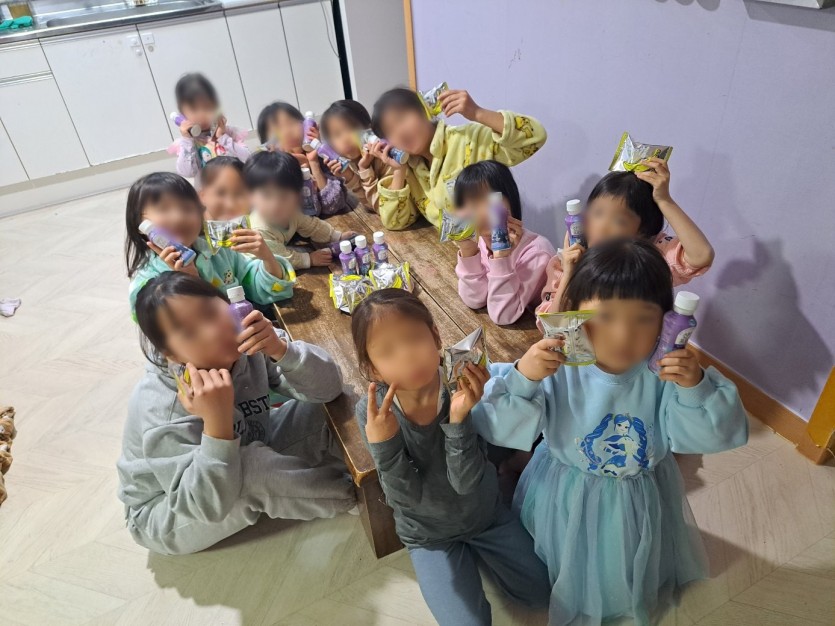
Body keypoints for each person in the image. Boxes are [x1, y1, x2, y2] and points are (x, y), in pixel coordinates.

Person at [472, 238, 748, 625]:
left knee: (626, 556)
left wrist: (695, 386)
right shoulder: (559, 362)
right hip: (564, 490)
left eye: (643, 319)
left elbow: (713, 433)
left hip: (639, 494)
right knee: (562, 550)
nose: (622, 335)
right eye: (604, 317)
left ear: (666, 321)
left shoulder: (665, 370)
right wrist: (523, 377)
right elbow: (496, 424)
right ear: (575, 313)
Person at [351, 289, 551, 626]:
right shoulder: (374, 412)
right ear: (372, 368)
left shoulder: (460, 382)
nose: (407, 356)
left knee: (541, 594)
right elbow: (405, 498)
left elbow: (466, 482)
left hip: (485, 513)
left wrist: (459, 419)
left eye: (414, 338)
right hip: (428, 535)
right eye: (387, 351)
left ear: (435, 336)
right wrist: (384, 444)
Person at [118, 272, 356, 554]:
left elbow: (330, 389)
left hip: (247, 442)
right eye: (189, 333)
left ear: (228, 302)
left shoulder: (247, 337)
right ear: (171, 354)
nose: (212, 332)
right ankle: (360, 498)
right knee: (252, 469)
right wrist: (216, 422)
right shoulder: (162, 405)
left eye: (210, 313)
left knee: (329, 405)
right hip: (169, 509)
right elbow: (203, 504)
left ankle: (379, 468)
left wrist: (282, 350)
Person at [539, 158, 714, 313]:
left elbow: (701, 256)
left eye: (620, 221)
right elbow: (550, 330)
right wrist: (569, 275)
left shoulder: (650, 260)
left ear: (642, 233)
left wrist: (664, 200)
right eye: (597, 213)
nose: (602, 227)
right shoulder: (566, 263)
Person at [370, 86, 547, 230]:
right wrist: (399, 170)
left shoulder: (469, 139)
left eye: (401, 119)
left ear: (423, 109)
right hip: (456, 256)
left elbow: (535, 136)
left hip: (497, 252)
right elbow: (394, 222)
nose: (400, 133)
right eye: (390, 131)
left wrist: (477, 112)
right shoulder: (412, 169)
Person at [125, 172, 294, 311]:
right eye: (163, 209)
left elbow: (262, 290)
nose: (178, 217)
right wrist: (189, 282)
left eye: (187, 208)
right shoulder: (146, 283)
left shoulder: (219, 251)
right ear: (140, 223)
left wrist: (267, 257)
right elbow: (173, 334)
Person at [453, 160, 555, 325]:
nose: (483, 212)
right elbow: (475, 300)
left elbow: (503, 315)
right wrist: (468, 251)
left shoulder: (537, 251)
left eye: (491, 201)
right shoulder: (480, 243)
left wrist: (501, 257)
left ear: (511, 200)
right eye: (473, 204)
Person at [245, 151, 356, 270]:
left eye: (284, 196)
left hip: (279, 245)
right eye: (266, 195)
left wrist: (336, 236)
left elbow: (312, 226)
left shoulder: (292, 212)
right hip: (258, 267)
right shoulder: (260, 230)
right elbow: (280, 258)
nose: (275, 204)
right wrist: (309, 259)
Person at [256, 102, 351, 216]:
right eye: (278, 129)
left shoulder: (324, 156)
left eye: (291, 123)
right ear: (268, 145)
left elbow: (334, 204)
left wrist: (313, 162)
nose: (287, 132)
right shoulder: (269, 174)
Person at [169, 73, 250, 179]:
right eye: (194, 109)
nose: (201, 115)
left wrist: (222, 137)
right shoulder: (186, 143)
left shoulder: (228, 133)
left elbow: (248, 159)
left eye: (207, 107)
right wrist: (187, 140)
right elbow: (187, 173)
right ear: (182, 113)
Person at [319, 99, 390, 212]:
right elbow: (370, 205)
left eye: (352, 129)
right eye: (337, 135)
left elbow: (384, 209)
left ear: (369, 128)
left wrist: (364, 169)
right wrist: (349, 175)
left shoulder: (385, 157)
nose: (345, 138)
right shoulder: (350, 164)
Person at [197, 156, 249, 221]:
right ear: (203, 196)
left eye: (239, 194)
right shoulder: (190, 226)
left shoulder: (255, 224)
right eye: (220, 193)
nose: (230, 205)